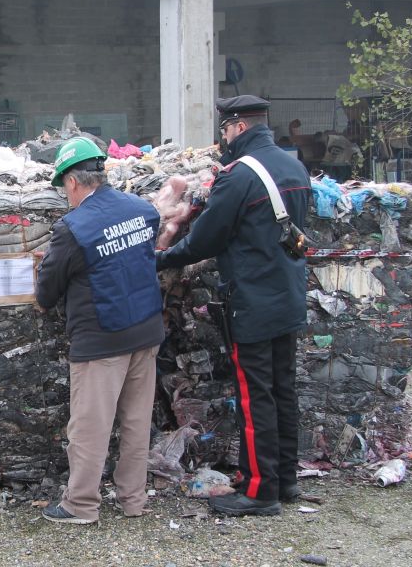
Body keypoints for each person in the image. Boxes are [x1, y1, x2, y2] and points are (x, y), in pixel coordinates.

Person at [156, 95, 312, 517]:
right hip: (288, 295)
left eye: (224, 130)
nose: (223, 138)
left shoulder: (239, 176)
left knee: (254, 396)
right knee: (283, 388)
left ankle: (261, 493)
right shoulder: (293, 166)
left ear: (239, 127)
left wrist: (162, 256)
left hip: (253, 302)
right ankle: (287, 480)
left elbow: (206, 240)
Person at [35, 136, 165, 525]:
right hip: (146, 333)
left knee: (89, 427)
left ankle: (81, 505)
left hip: (101, 340)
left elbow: (47, 292)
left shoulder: (73, 228)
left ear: (73, 183)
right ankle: (133, 500)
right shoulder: (143, 211)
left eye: (64, 189)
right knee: (136, 422)